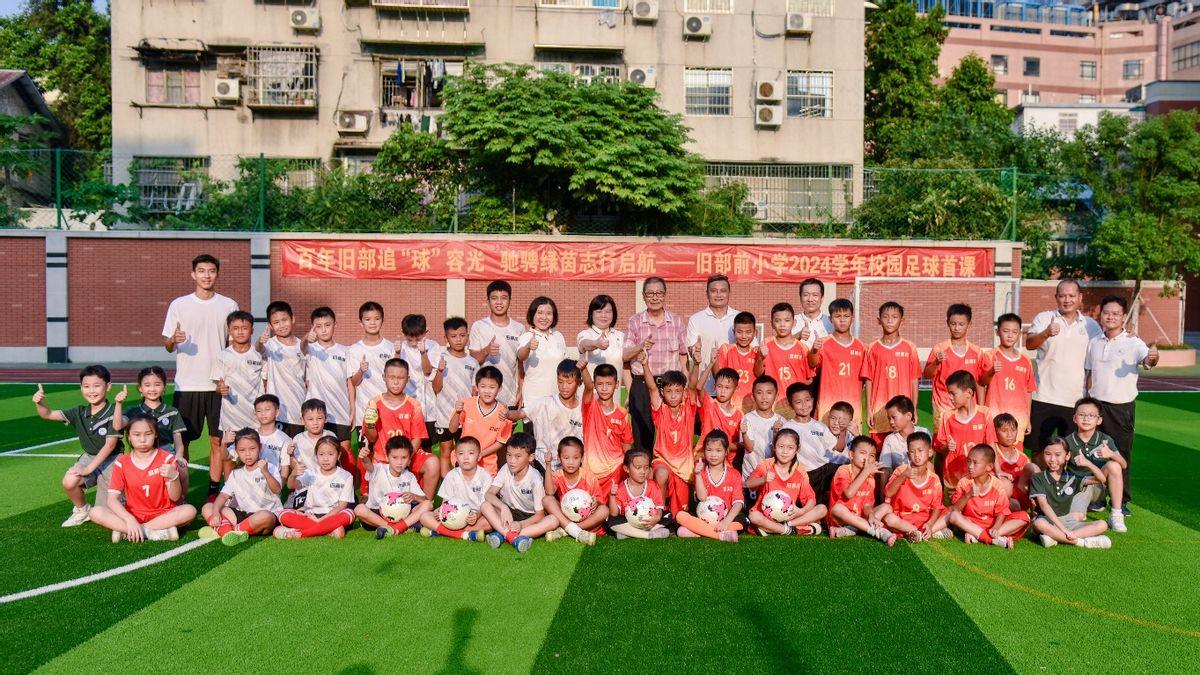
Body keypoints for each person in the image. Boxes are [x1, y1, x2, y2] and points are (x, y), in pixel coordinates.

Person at [162, 254, 239, 496]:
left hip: (218, 385)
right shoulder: (179, 305)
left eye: (211, 271)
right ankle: (181, 491)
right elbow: (167, 345)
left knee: (219, 440)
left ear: (217, 274)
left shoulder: (229, 305)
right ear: (193, 274)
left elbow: (234, 344)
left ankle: (217, 492)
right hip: (187, 385)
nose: (207, 275)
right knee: (182, 441)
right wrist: (173, 340)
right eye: (202, 271)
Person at [1086, 294, 1158, 515]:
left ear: (1124, 316)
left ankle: (1122, 500)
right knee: (1095, 453)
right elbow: (1089, 373)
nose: (1111, 317)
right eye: (1107, 313)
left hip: (1121, 408)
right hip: (1096, 406)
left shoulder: (1134, 343)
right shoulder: (1095, 342)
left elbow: (1148, 360)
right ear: (1101, 315)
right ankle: (1097, 498)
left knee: (1121, 454)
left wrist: (1153, 357)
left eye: (1116, 314)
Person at [32, 365, 121, 525]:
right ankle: (82, 510)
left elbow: (110, 445)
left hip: (112, 460)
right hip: (89, 457)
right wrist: (40, 402)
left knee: (106, 513)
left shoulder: (114, 412)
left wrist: (88, 469)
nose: (91, 391)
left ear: (108, 386)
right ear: (81, 387)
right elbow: (48, 414)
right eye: (86, 386)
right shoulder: (79, 412)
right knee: (69, 481)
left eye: (96, 386)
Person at [91, 414, 196, 543]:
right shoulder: (122, 463)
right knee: (95, 512)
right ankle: (155, 531)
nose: (142, 440)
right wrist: (129, 519)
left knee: (189, 511)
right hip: (134, 515)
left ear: (155, 435)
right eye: (136, 435)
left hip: (164, 514)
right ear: (129, 436)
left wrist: (174, 477)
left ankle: (132, 531)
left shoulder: (167, 459)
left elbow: (175, 498)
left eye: (148, 434)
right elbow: (112, 500)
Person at [1026, 278, 1102, 451]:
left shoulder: (1091, 326)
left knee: (1070, 452)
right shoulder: (1044, 318)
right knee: (1038, 450)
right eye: (1062, 296)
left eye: (1071, 296)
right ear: (1056, 297)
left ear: (1080, 297)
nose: (1067, 300)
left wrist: (1126, 334)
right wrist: (1046, 333)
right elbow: (1029, 343)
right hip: (1043, 396)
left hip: (1074, 400)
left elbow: (1102, 348)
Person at [624, 276, 687, 451]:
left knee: (671, 435)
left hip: (670, 386)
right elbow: (625, 355)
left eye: (659, 293)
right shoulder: (635, 321)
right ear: (643, 296)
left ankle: (669, 467)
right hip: (642, 385)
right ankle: (643, 467)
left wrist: (685, 385)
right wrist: (640, 346)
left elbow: (683, 356)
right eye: (650, 293)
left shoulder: (676, 321)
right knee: (642, 435)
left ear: (665, 295)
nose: (654, 297)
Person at [361, 358, 436, 499]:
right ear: (384, 377)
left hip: (408, 457)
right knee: (368, 503)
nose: (396, 382)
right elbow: (371, 438)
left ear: (407, 378)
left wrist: (405, 459)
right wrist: (370, 423)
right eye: (391, 377)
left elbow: (417, 438)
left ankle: (426, 504)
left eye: (400, 378)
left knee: (432, 462)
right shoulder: (374, 403)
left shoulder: (414, 405)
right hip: (383, 459)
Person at [113, 365, 190, 498]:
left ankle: (180, 500)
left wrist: (178, 457)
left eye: (157, 384)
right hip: (140, 452)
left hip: (165, 451)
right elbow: (117, 425)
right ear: (140, 388)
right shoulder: (133, 411)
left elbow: (178, 440)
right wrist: (118, 403)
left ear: (164, 387)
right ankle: (131, 502)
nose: (152, 389)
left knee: (182, 471)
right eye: (147, 385)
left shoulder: (172, 411)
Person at [641, 351, 698, 519]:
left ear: (683, 392)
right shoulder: (660, 410)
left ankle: (678, 512)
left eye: (677, 391)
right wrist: (645, 365)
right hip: (663, 461)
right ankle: (660, 509)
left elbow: (693, 386)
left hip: (684, 466)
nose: (673, 396)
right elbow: (652, 388)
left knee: (679, 515)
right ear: (663, 392)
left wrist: (696, 364)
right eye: (668, 391)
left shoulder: (688, 409)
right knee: (661, 473)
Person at [199, 428, 280, 546]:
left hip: (263, 516)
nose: (247, 454)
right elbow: (223, 496)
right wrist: (215, 513)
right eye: (242, 450)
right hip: (242, 514)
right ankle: (230, 532)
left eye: (252, 449)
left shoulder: (269, 467)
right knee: (208, 507)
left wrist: (266, 473)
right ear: (236, 451)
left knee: (265, 516)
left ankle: (227, 530)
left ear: (260, 447)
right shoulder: (236, 473)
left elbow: (277, 489)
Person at [1030, 436, 1112, 548]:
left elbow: (1101, 479)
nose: (1052, 459)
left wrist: (1088, 463)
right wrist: (1064, 530)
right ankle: (1082, 542)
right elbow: (1044, 506)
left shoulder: (1072, 478)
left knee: (1102, 524)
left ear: (1067, 456)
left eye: (1057, 455)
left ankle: (1054, 537)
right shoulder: (1038, 477)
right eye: (1048, 454)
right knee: (1038, 524)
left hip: (1068, 520)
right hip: (1047, 520)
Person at [482, 433, 558, 552]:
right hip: (509, 512)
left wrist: (521, 524)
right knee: (485, 505)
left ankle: (503, 534)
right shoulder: (506, 468)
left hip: (529, 517)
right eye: (509, 455)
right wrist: (503, 507)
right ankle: (513, 537)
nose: (512, 461)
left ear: (531, 457)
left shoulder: (535, 479)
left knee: (553, 520)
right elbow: (489, 494)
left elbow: (540, 514)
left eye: (518, 456)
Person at [745, 429, 827, 536]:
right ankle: (794, 530)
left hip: (790, 517)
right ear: (774, 447)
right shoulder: (765, 465)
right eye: (781, 446)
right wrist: (763, 479)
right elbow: (748, 484)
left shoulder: (800, 471)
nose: (785, 451)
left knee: (822, 509)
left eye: (790, 448)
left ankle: (777, 528)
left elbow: (810, 500)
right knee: (754, 516)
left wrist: (801, 511)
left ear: (797, 449)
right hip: (765, 515)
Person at [509, 359, 584, 474]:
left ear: (579, 382)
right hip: (542, 464)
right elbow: (521, 414)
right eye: (560, 382)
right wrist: (507, 414)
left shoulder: (583, 409)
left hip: (570, 467)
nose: (564, 387)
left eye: (569, 383)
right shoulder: (545, 403)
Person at [947, 445, 1031, 548]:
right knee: (953, 516)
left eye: (975, 463)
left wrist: (996, 527)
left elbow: (1002, 512)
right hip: (971, 522)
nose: (970, 466)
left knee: (1025, 517)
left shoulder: (997, 484)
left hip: (992, 524)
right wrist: (968, 495)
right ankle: (992, 538)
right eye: (968, 461)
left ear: (989, 467)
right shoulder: (964, 482)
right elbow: (956, 509)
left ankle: (979, 534)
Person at [1065, 397, 1129, 532]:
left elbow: (1124, 465)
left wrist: (1111, 454)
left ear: (1099, 420)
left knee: (1114, 465)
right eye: (1082, 415)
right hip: (1079, 487)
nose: (1086, 419)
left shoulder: (1105, 439)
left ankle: (1116, 514)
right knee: (1075, 517)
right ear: (1074, 418)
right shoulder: (1067, 442)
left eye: (1091, 415)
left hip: (1099, 486)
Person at [861, 302, 920, 444]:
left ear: (902, 320)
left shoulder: (909, 347)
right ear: (879, 320)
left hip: (902, 410)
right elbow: (868, 380)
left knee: (905, 448)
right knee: (879, 449)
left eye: (894, 317)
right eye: (885, 317)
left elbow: (914, 379)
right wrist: (869, 410)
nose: (889, 320)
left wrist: (914, 408)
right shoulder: (871, 348)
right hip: (879, 410)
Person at [274, 436, 356, 539]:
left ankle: (301, 533)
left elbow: (341, 507)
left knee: (349, 514)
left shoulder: (346, 476)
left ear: (338, 455)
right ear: (316, 456)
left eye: (330, 454)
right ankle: (328, 530)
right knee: (283, 514)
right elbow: (291, 485)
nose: (325, 459)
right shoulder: (311, 473)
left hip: (332, 516)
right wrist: (293, 474)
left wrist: (321, 520)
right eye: (321, 454)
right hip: (311, 515)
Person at [923, 304, 986, 431]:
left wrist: (981, 408)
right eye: (953, 324)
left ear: (969, 324)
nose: (957, 328)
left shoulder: (977, 352)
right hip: (943, 407)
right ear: (948, 323)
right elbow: (927, 375)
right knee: (943, 441)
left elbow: (979, 382)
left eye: (961, 324)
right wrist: (936, 362)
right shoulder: (939, 349)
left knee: (967, 440)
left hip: (968, 408)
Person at [876, 432, 950, 542]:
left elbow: (937, 507)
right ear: (908, 454)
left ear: (930, 452)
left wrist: (930, 523)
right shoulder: (901, 471)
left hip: (924, 520)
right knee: (889, 519)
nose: (916, 455)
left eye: (920, 450)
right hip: (902, 519)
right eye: (912, 451)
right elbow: (888, 493)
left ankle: (923, 531)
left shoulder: (934, 479)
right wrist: (903, 476)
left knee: (951, 513)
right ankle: (922, 532)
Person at [354, 435, 431, 539]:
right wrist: (364, 457)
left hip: (402, 514)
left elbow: (425, 500)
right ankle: (400, 527)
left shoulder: (409, 476)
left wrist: (414, 496)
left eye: (404, 458)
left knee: (427, 505)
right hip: (377, 515)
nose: (399, 462)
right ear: (387, 457)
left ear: (409, 460)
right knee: (359, 509)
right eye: (395, 457)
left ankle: (394, 529)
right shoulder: (378, 469)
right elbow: (367, 464)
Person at [782, 385, 848, 505]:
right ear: (791, 405)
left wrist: (842, 431)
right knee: (812, 504)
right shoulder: (788, 428)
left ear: (812, 400)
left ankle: (845, 507)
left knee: (847, 469)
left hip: (824, 470)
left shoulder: (820, 426)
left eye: (807, 400)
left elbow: (838, 448)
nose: (804, 405)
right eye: (798, 402)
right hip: (804, 474)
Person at [807, 298, 866, 430]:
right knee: (825, 439)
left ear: (852, 318)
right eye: (838, 316)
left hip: (852, 404)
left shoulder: (861, 346)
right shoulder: (823, 343)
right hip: (828, 404)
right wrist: (814, 350)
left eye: (846, 316)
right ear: (830, 319)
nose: (842, 320)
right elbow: (812, 364)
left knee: (851, 439)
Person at [418, 436, 492, 541]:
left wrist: (476, 515)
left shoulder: (485, 476)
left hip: (474, 517)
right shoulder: (451, 475)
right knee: (424, 516)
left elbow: (486, 505)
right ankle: (465, 535)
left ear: (479, 456)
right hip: (452, 516)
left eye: (471, 453)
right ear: (455, 456)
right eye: (461, 454)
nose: (466, 457)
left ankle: (441, 532)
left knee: (489, 523)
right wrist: (440, 511)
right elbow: (445, 503)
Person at [304, 307, 355, 456]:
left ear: (335, 325)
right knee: (317, 455)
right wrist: (306, 338)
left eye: (327, 325)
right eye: (318, 326)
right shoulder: (310, 349)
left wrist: (352, 410)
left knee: (344, 455)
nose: (324, 330)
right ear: (313, 328)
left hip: (340, 412)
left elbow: (349, 382)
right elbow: (302, 347)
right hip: (317, 415)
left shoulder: (346, 351)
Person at [212, 310, 264, 457]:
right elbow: (218, 386)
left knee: (255, 457)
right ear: (229, 331)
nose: (240, 332)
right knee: (229, 459)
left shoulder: (259, 354)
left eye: (244, 328)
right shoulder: (222, 356)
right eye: (235, 328)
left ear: (252, 330)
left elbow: (266, 382)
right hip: (230, 419)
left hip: (255, 419)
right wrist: (220, 389)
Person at [980, 313, 1036, 448]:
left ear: (1019, 334)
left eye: (1014, 332)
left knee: (1015, 453)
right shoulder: (989, 356)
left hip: (1018, 417)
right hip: (994, 413)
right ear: (997, 332)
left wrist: (1027, 418)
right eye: (1006, 331)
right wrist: (992, 371)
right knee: (992, 452)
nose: (1010, 335)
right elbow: (981, 382)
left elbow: (1028, 391)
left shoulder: (1025, 361)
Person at [676, 431, 744, 542]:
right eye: (709, 450)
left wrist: (725, 522)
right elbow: (702, 498)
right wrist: (698, 475)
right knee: (680, 516)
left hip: (727, 519)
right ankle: (720, 535)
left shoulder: (734, 474)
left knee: (743, 520)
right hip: (704, 519)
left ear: (726, 452)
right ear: (704, 451)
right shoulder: (701, 472)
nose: (713, 455)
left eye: (718, 450)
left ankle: (701, 531)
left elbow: (738, 503)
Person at [827, 436, 895, 545]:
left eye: (871, 455)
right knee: (838, 509)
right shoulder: (844, 470)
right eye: (863, 453)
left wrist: (871, 515)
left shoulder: (870, 477)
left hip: (859, 517)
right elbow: (849, 494)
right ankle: (877, 532)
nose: (867, 458)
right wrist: (866, 472)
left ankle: (850, 530)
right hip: (840, 519)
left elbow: (867, 505)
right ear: (851, 455)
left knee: (887, 507)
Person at [580, 363, 634, 498]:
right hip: (592, 471)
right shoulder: (590, 406)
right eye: (600, 384)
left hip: (616, 470)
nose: (604, 388)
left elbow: (627, 446)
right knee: (592, 506)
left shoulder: (622, 413)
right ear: (594, 384)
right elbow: (587, 387)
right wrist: (583, 369)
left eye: (609, 384)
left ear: (617, 384)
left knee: (614, 507)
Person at [542, 436, 609, 545]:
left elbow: (599, 500)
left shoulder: (589, 477)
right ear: (559, 459)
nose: (571, 462)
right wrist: (548, 465)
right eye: (566, 458)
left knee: (604, 510)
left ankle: (567, 530)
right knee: (547, 500)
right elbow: (549, 492)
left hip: (585, 519)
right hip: (565, 516)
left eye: (575, 458)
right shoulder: (558, 475)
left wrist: (595, 503)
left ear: (582, 459)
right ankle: (576, 531)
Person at [934, 370, 995, 488]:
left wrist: (998, 471)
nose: (950, 397)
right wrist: (947, 447)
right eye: (949, 393)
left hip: (980, 478)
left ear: (968, 393)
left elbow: (991, 446)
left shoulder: (985, 414)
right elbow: (939, 447)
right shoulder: (947, 417)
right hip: (953, 479)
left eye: (953, 393)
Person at [432, 317, 477, 476]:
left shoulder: (473, 362)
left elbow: (474, 391)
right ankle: (447, 486)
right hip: (444, 414)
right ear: (446, 338)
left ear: (467, 336)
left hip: (465, 416)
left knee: (464, 451)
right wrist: (439, 371)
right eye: (453, 336)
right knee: (446, 451)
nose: (458, 340)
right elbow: (436, 388)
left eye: (462, 335)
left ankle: (462, 483)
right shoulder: (441, 359)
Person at [347, 302, 396, 444]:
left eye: (377, 318)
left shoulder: (390, 348)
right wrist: (361, 371)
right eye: (367, 319)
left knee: (391, 451)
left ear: (382, 320)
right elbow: (353, 382)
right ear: (361, 323)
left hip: (389, 409)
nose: (372, 323)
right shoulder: (354, 349)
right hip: (365, 411)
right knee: (366, 453)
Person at [469, 280, 524, 408]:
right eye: (494, 298)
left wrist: (521, 390)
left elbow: (521, 364)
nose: (499, 302)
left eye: (503, 298)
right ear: (488, 301)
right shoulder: (479, 326)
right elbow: (472, 360)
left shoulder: (519, 328)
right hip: (483, 396)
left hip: (509, 396)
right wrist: (486, 351)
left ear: (510, 300)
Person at [449, 366, 513, 476]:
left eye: (492, 387)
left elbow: (501, 442)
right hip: (463, 460)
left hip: (487, 465)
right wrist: (457, 412)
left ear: (499, 388)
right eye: (483, 386)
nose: (487, 391)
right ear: (477, 387)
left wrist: (480, 454)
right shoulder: (465, 404)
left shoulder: (504, 412)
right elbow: (452, 429)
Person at [686, 274, 741, 394]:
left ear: (729, 293)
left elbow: (752, 348)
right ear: (707, 293)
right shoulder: (696, 319)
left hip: (735, 389)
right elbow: (691, 349)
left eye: (723, 291)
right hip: (705, 388)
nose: (718, 295)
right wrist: (694, 351)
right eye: (714, 291)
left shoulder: (739, 317)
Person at [260, 300, 307, 437]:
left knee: (295, 446)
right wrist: (259, 342)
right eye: (276, 322)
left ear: (293, 319)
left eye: (284, 320)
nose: (281, 325)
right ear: (270, 325)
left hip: (298, 409)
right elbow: (259, 349)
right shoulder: (269, 346)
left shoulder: (303, 346)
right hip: (277, 413)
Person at [757, 302, 813, 409]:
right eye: (777, 321)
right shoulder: (766, 344)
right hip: (772, 405)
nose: (782, 325)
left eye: (787, 320)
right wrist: (760, 358)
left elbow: (809, 379)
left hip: (795, 406)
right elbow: (758, 373)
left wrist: (796, 386)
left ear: (794, 323)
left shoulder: (803, 348)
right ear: (772, 323)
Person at [396, 313, 440, 448]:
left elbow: (427, 371)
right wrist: (397, 353)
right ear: (403, 334)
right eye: (410, 340)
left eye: (418, 339)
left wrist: (423, 353)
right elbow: (395, 370)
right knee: (406, 446)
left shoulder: (433, 346)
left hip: (429, 406)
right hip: (407, 404)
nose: (414, 343)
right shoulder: (401, 347)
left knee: (426, 448)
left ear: (426, 332)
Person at [606, 448, 671, 539]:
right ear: (626, 469)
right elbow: (614, 513)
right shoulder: (621, 489)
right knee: (611, 520)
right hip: (629, 522)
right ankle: (647, 535)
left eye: (646, 468)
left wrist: (657, 518)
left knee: (668, 515)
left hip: (649, 522)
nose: (643, 472)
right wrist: (612, 495)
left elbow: (659, 507)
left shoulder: (653, 486)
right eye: (638, 467)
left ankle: (629, 534)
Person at [518, 296, 568, 410]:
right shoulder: (527, 337)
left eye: (548, 313)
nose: (544, 317)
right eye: (540, 313)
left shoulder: (558, 336)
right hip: (533, 401)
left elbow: (565, 364)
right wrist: (528, 346)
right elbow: (521, 356)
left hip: (557, 400)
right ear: (533, 315)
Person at [694, 366, 744, 469]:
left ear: (736, 388)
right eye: (719, 386)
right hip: (704, 459)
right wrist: (711, 363)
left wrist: (722, 446)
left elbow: (741, 444)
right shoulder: (709, 404)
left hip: (727, 465)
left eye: (727, 387)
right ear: (715, 386)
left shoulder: (739, 415)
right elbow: (699, 387)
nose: (722, 391)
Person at [577, 294, 627, 394]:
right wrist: (596, 343)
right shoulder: (585, 334)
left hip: (614, 396)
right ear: (591, 314)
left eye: (608, 312)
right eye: (599, 311)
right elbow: (584, 344)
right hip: (590, 396)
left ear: (613, 314)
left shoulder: (621, 336)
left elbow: (625, 367)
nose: (604, 315)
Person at [877, 395, 928, 493]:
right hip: (900, 482)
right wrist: (884, 497)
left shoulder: (923, 433)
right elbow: (885, 468)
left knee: (929, 465)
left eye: (894, 417)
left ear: (908, 416)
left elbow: (929, 459)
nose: (891, 422)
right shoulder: (890, 440)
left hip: (920, 478)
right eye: (889, 418)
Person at [711, 311, 759, 408]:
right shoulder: (726, 350)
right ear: (734, 332)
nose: (744, 336)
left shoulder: (757, 353)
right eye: (739, 332)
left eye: (748, 332)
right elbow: (717, 376)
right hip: (730, 406)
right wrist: (714, 361)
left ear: (755, 333)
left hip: (751, 406)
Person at [740, 375, 782, 483]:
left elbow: (780, 452)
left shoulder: (781, 421)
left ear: (776, 396)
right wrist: (744, 433)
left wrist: (776, 433)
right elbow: (749, 448)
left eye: (769, 393)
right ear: (753, 396)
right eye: (759, 393)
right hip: (750, 474)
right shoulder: (747, 418)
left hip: (773, 475)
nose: (764, 397)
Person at [283, 398, 334, 485]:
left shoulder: (330, 436)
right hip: (305, 482)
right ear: (303, 420)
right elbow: (294, 465)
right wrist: (291, 455)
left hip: (326, 480)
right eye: (310, 419)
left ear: (326, 419)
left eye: (319, 418)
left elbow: (336, 461)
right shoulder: (298, 439)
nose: (315, 423)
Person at [993, 413, 1035, 511]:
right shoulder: (991, 454)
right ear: (995, 432)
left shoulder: (1023, 457)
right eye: (1004, 431)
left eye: (1013, 430)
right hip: (999, 499)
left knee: (1032, 467)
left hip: (1021, 498)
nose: (1010, 435)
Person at [249, 394, 291, 473]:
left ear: (277, 412)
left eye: (267, 410)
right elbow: (228, 456)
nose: (263, 413)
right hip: (251, 478)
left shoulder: (284, 439)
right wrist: (224, 443)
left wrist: (281, 480)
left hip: (273, 478)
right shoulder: (249, 435)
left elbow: (285, 467)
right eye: (259, 411)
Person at [794, 278, 834, 349]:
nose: (810, 299)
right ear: (800, 298)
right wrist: (797, 336)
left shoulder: (831, 323)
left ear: (822, 298)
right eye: (806, 295)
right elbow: (780, 345)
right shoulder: (791, 321)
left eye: (815, 295)